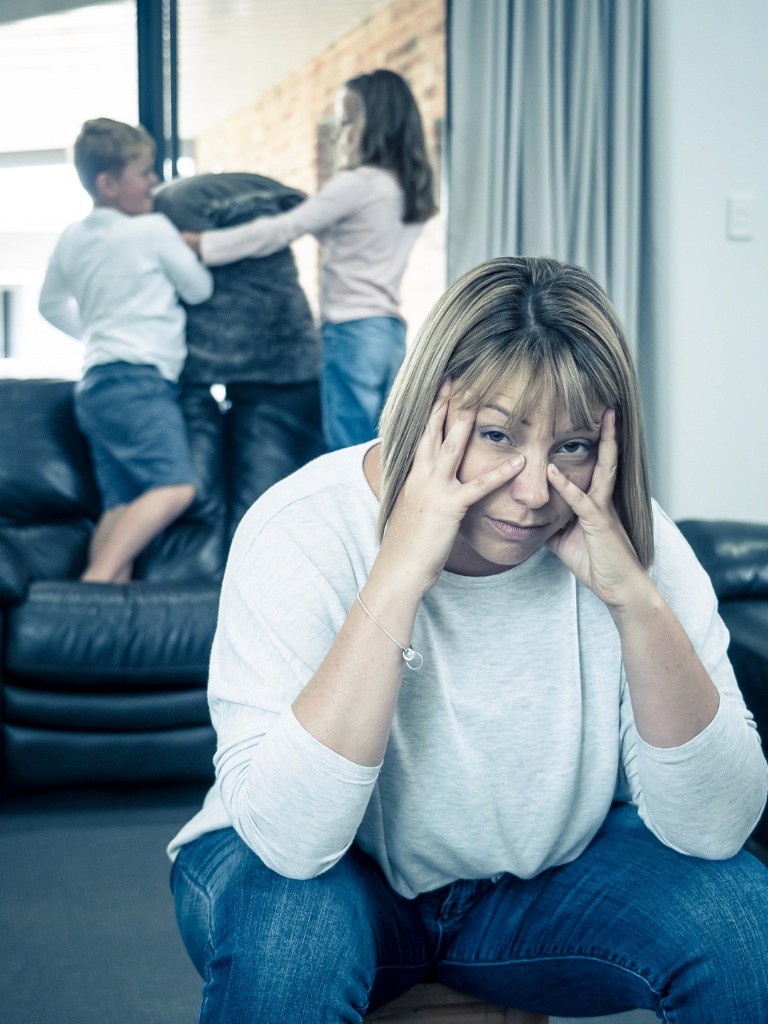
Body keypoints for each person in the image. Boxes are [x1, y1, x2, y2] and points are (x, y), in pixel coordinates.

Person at [168, 256, 768, 1022]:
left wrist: (634, 600)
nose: (532, 490)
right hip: (321, 879)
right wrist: (400, 574)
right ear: (429, 412)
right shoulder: (303, 529)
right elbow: (292, 842)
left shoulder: (630, 540)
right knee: (293, 927)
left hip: (535, 892)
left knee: (737, 915)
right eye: (497, 435)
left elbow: (716, 829)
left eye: (573, 445)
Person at [182, 68, 437, 452]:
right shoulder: (407, 188)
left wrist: (205, 244)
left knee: (349, 454)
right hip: (389, 334)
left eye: (348, 120)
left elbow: (281, 230)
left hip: (350, 333)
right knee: (388, 450)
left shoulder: (357, 184)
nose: (341, 131)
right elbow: (355, 241)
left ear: (379, 123)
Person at [38, 118, 213, 583]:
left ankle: (97, 618)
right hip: (139, 381)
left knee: (120, 506)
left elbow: (49, 305)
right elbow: (198, 289)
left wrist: (98, 332)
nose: (154, 181)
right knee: (175, 488)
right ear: (108, 183)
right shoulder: (153, 230)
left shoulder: (71, 237)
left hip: (96, 383)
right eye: (144, 172)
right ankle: (93, 585)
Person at [154, 171, 325, 534]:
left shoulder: (169, 214)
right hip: (284, 367)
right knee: (270, 506)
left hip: (284, 374)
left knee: (276, 506)